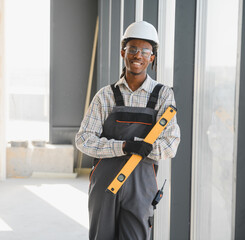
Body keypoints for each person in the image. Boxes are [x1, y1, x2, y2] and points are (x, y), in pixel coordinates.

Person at [75, 21, 181, 240]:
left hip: (141, 187)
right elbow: (84, 139)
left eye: (145, 51)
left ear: (152, 57)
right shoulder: (105, 96)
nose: (138, 56)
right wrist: (124, 146)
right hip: (105, 183)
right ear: (123, 52)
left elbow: (171, 144)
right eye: (132, 49)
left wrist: (146, 148)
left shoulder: (163, 96)